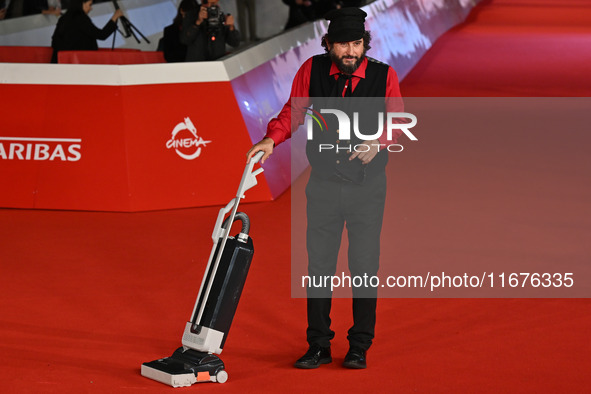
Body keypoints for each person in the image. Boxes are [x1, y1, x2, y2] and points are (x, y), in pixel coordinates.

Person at [246, 7, 403, 370]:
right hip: (323, 186)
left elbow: (397, 121)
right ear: (328, 44)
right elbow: (293, 112)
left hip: (368, 188)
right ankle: (317, 344)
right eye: (343, 44)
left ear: (365, 44)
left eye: (357, 44)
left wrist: (378, 142)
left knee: (364, 266)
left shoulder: (384, 75)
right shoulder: (311, 70)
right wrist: (272, 140)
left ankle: (360, 345)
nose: (351, 51)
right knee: (319, 265)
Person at [50, 0, 123, 63]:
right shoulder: (81, 19)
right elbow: (101, 35)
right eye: (89, 4)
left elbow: (54, 42)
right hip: (77, 64)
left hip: (59, 62)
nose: (91, 8)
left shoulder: (63, 18)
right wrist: (115, 17)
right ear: (82, 3)